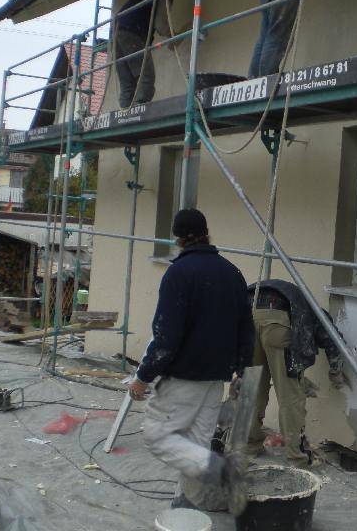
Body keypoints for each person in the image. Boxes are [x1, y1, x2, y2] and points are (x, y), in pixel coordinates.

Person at [129, 208, 255, 514]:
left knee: (157, 436)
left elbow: (165, 336)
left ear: (178, 238)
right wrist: (241, 368)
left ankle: (223, 471)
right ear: (206, 233)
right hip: (215, 378)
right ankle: (187, 507)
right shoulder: (232, 272)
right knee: (194, 444)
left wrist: (143, 376)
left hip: (185, 376)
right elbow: (245, 327)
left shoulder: (179, 273)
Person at [246, 279, 346, 466]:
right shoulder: (314, 313)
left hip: (246, 316)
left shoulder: (290, 296)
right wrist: (336, 371)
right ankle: (296, 457)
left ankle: (248, 448)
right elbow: (332, 338)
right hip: (277, 323)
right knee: (290, 396)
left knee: (251, 388)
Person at [114, 0, 172, 108]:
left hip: (116, 35)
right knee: (146, 75)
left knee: (127, 82)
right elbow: (161, 26)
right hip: (132, 32)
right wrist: (174, 36)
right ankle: (140, 108)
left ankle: (124, 112)